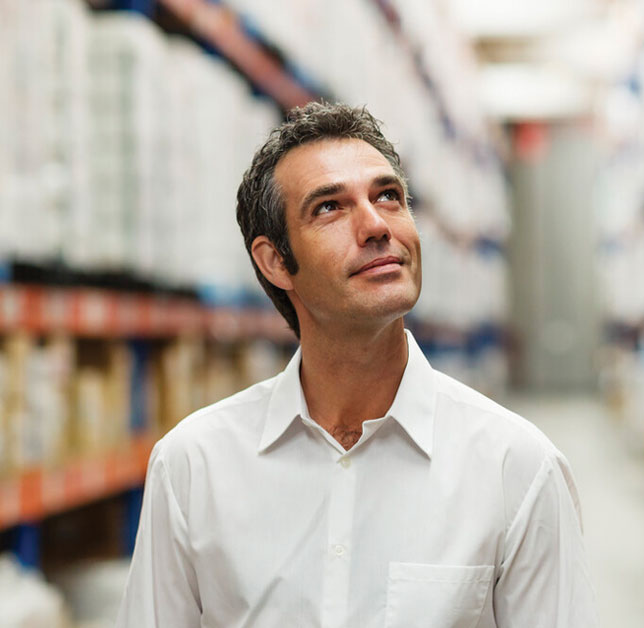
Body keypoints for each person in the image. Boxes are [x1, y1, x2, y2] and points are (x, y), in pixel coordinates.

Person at [116, 102, 597, 627]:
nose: (375, 225)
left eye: (389, 197)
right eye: (329, 208)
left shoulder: (517, 469)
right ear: (276, 261)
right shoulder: (194, 466)